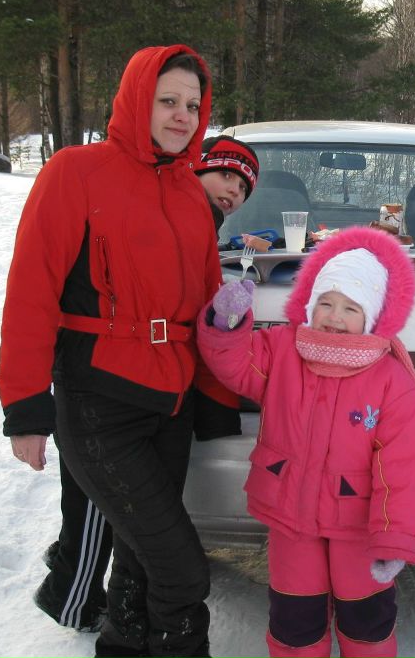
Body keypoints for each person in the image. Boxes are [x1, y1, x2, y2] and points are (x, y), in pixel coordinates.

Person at [0, 44, 221, 658]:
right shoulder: (76, 171)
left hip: (169, 402)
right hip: (100, 401)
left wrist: (218, 396)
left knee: (140, 562)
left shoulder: (189, 193)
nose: (181, 116)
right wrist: (24, 407)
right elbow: (31, 292)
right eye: (167, 101)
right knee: (182, 571)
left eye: (192, 106)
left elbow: (208, 305)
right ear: (135, 98)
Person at [31, 133, 260, 634]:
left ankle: (101, 603)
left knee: (121, 518)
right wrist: (28, 405)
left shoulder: (201, 222)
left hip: (155, 394)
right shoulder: (126, 193)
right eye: (225, 175)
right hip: (102, 388)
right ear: (194, 168)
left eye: (243, 189)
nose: (233, 192)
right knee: (93, 513)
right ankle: (72, 600)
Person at [197, 226, 415, 658]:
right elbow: (236, 364)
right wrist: (226, 323)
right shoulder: (284, 349)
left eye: (349, 307)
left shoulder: (390, 379)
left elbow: (403, 467)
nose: (334, 316)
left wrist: (394, 538)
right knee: (295, 621)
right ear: (309, 305)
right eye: (325, 302)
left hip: (358, 528)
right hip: (292, 520)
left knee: (366, 621)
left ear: (373, 316)